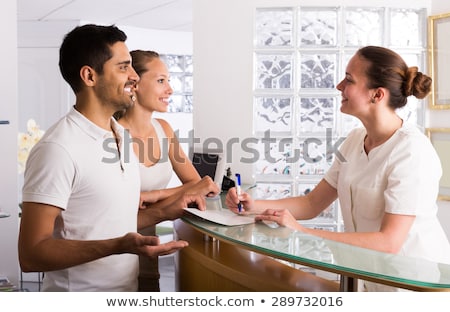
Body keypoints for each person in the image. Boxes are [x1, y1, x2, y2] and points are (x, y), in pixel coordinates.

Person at [226, 46, 450, 291]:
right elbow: (312, 203)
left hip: (413, 284)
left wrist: (301, 232)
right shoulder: (355, 139)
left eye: (349, 80)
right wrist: (253, 206)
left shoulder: (411, 151)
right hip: (371, 278)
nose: (339, 86)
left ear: (377, 95)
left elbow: (389, 242)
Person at [18, 24, 206, 292]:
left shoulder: (120, 137)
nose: (133, 77)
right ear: (89, 76)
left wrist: (165, 212)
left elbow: (112, 222)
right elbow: (31, 254)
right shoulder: (57, 148)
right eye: (123, 67)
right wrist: (118, 246)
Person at [115, 50, 219, 291]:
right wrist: (183, 192)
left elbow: (201, 185)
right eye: (161, 81)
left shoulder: (163, 129)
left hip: (151, 253)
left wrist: (155, 196)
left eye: (169, 81)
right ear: (135, 84)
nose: (170, 89)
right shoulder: (113, 135)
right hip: (116, 255)